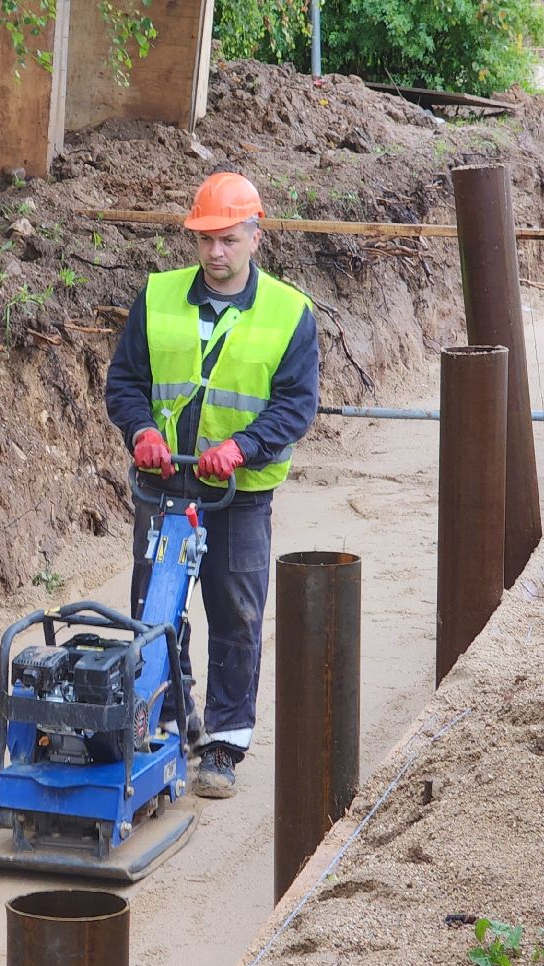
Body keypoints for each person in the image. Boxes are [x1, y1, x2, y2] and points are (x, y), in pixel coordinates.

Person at [103, 171, 321, 799]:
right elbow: (125, 382)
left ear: (256, 236)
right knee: (157, 610)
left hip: (238, 494)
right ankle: (171, 719)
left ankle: (224, 744)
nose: (215, 252)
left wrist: (241, 447)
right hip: (164, 482)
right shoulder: (158, 297)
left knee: (236, 614)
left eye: (227, 239)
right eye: (205, 239)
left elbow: (295, 405)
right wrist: (141, 429)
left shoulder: (289, 313)